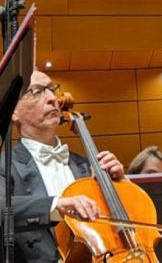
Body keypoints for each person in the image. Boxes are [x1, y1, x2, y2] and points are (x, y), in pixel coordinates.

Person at [0, 70, 126, 263]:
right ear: (14, 112)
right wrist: (56, 205)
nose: (53, 98)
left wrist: (120, 184)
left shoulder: (87, 166)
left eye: (52, 89)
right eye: (37, 92)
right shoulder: (5, 165)